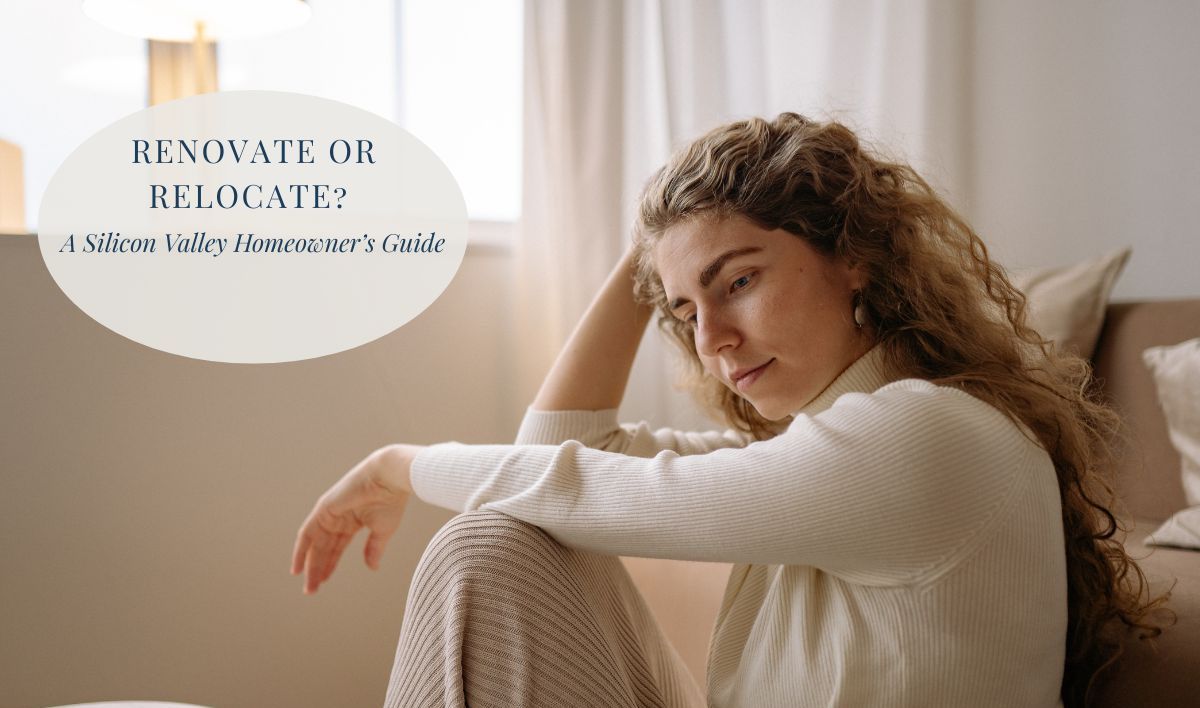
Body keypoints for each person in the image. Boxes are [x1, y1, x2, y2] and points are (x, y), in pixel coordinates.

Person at [290, 113, 1171, 707]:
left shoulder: (928, 435)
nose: (710, 338)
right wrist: (656, 250)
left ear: (855, 255)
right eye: (683, 311)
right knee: (492, 542)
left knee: (482, 535)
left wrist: (401, 465)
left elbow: (577, 483)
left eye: (739, 281)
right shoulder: (833, 445)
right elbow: (557, 450)